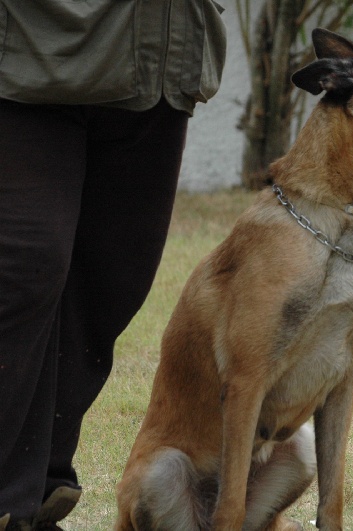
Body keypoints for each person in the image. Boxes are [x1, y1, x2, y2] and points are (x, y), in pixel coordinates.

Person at [0, 1, 226, 529]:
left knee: (110, 283)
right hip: (29, 54)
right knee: (22, 271)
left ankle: (36, 498)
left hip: (161, 60)